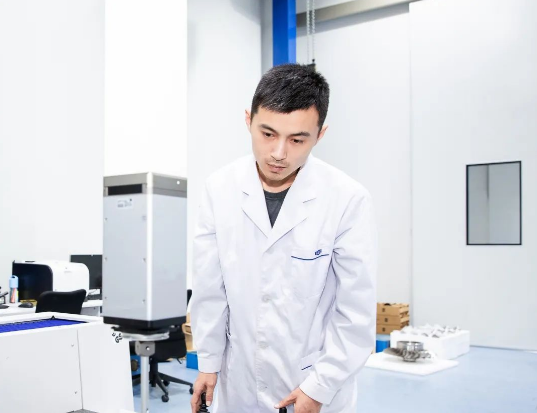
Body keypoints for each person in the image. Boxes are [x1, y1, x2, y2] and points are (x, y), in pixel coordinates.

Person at [190, 63, 377, 413]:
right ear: (249, 120)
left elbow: (355, 312)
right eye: (267, 134)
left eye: (297, 140)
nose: (278, 153)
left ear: (320, 135)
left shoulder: (347, 199)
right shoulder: (219, 189)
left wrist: (320, 387)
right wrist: (209, 362)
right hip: (238, 382)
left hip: (311, 382)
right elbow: (210, 289)